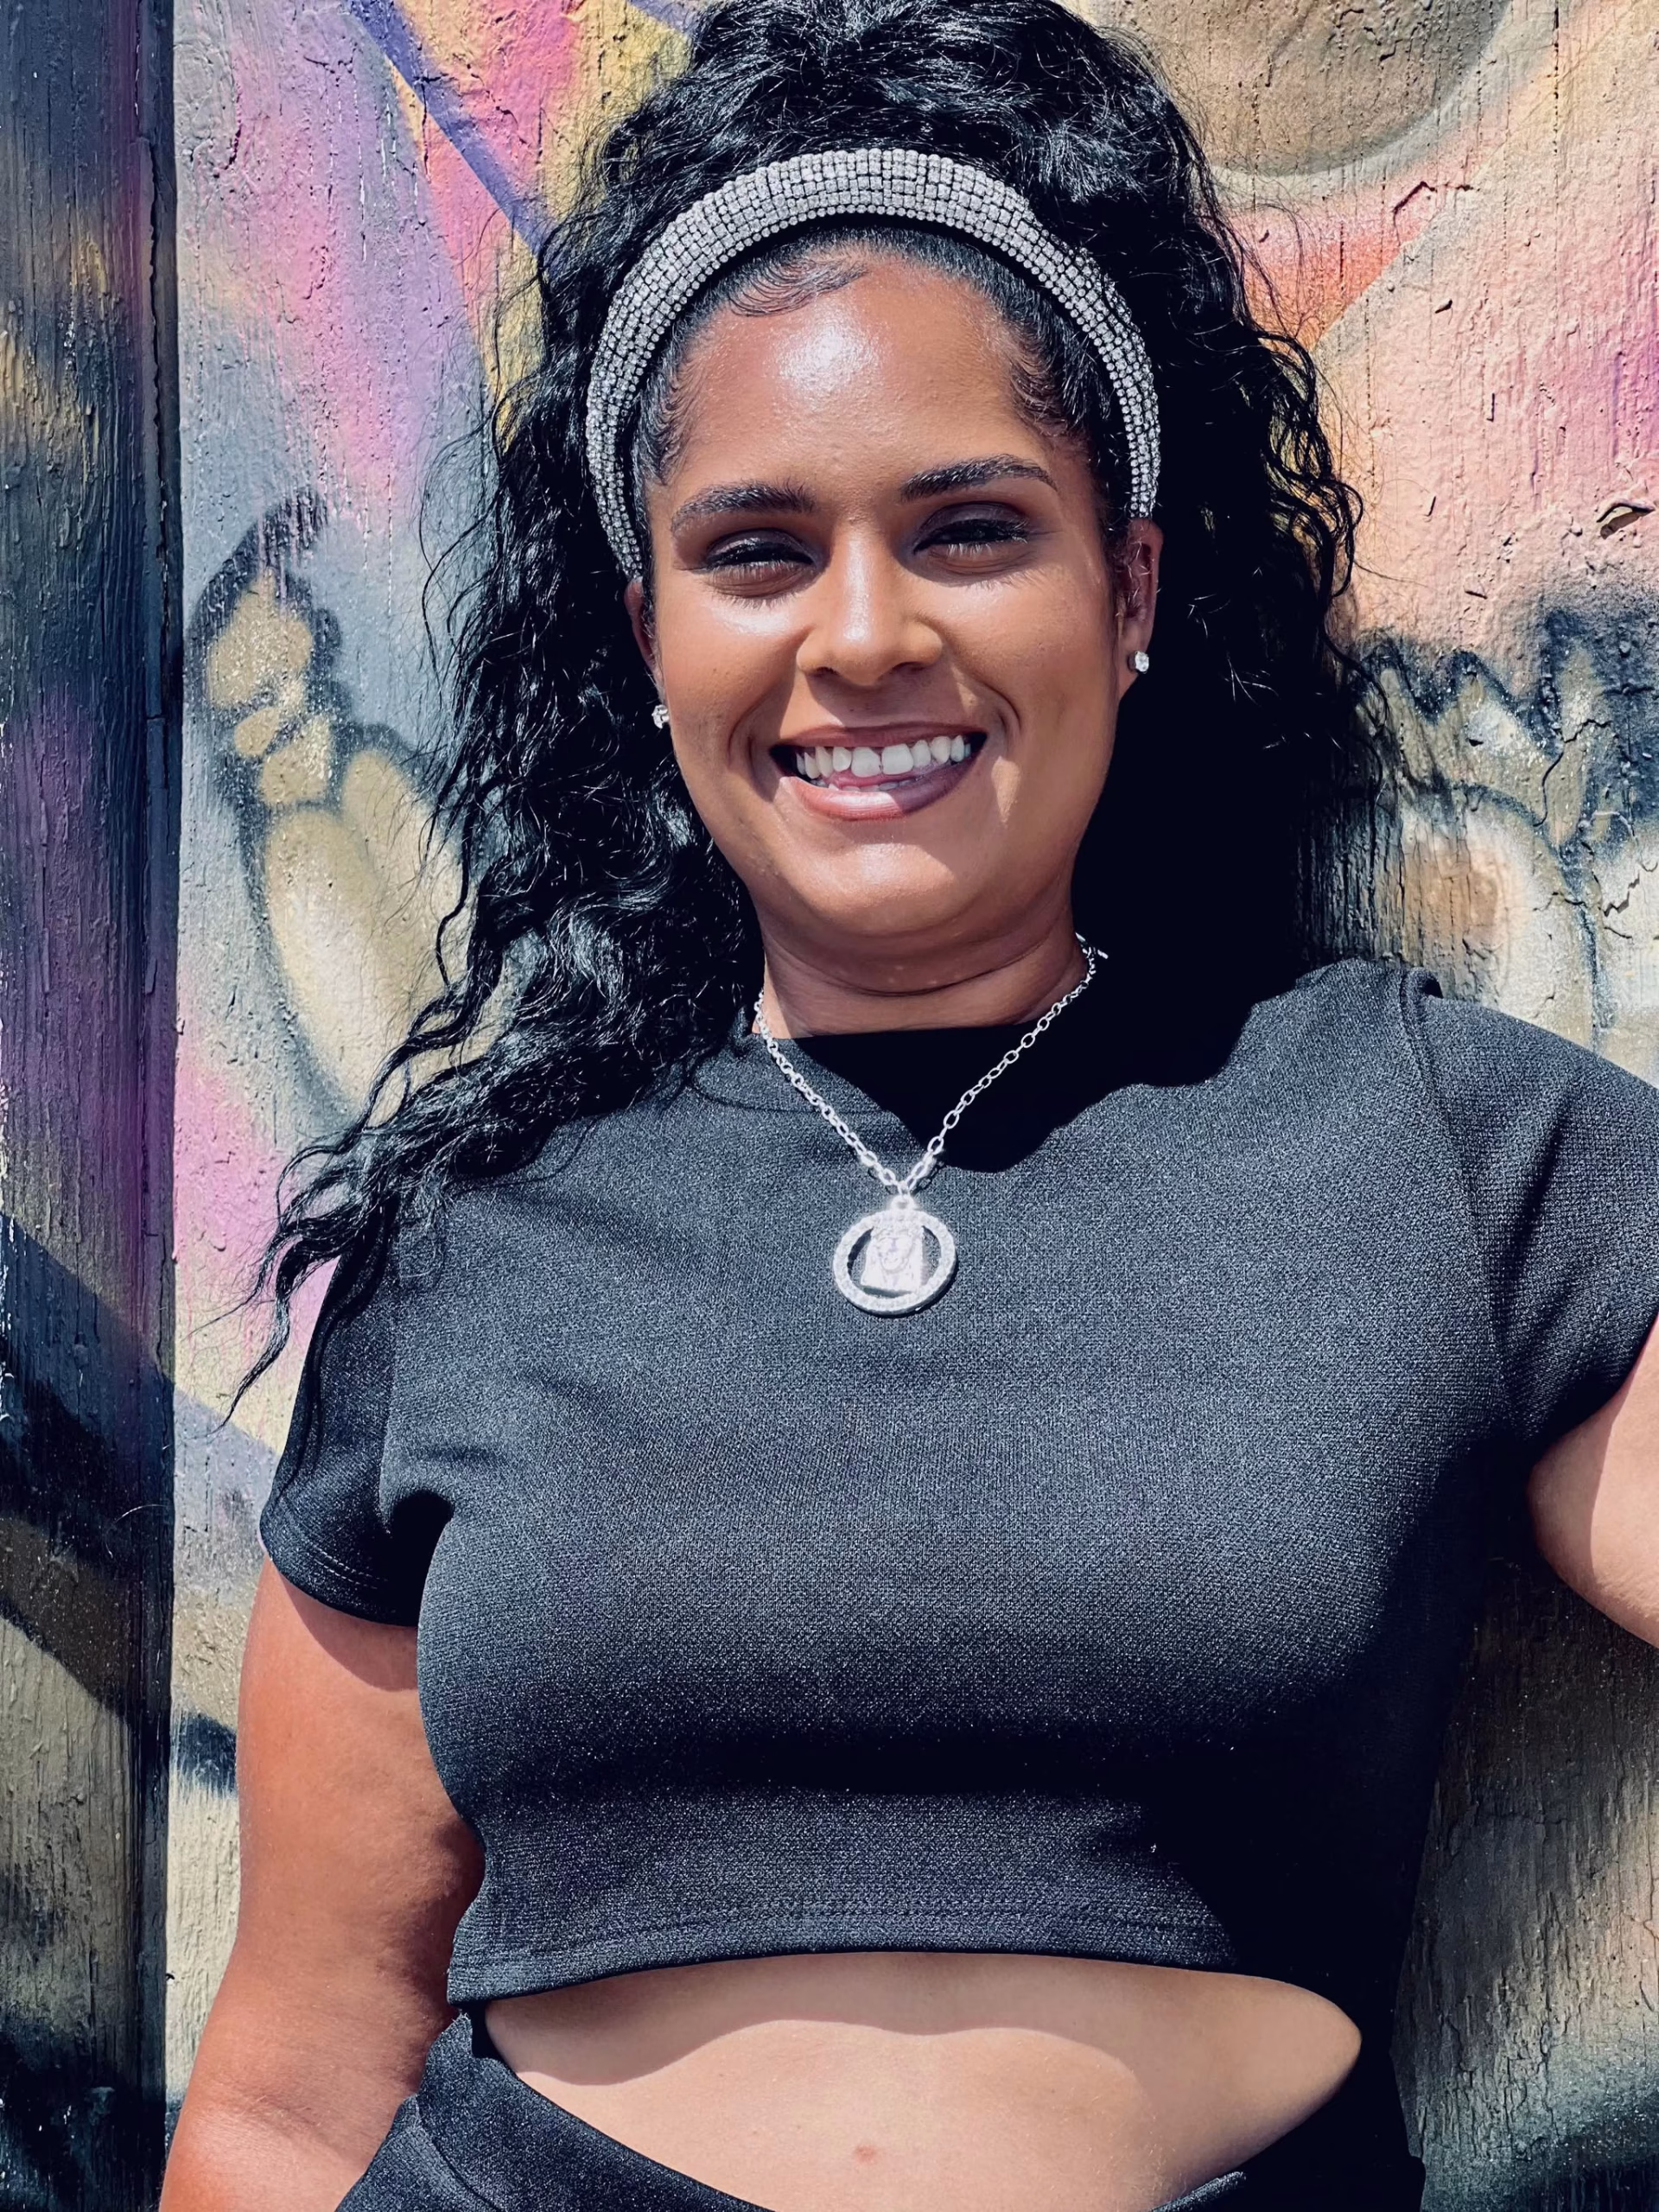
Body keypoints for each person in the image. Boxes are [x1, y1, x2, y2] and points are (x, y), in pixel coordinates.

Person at [159, 2, 1659, 2207]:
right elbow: (290, 2096)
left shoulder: (1431, 1147)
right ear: (651, 632)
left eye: (968, 529)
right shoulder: (481, 1234)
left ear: (1128, 584)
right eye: (757, 551)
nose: (860, 635)